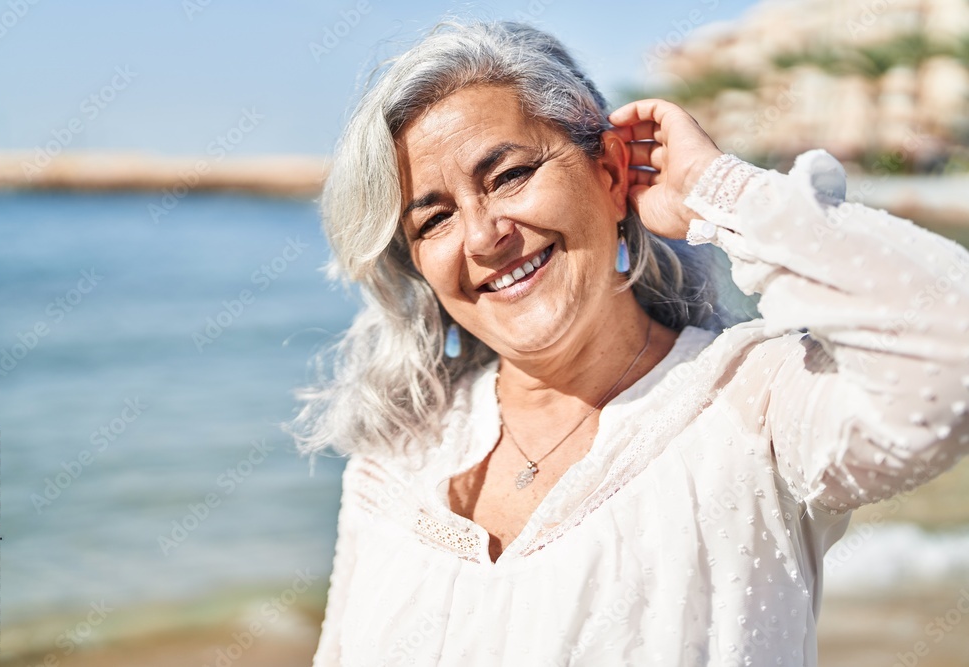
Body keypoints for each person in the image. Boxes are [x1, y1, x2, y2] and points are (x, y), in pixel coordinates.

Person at [294, 20, 969, 666]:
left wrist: (720, 192)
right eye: (434, 218)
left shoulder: (748, 405)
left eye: (508, 176)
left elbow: (950, 351)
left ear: (612, 174)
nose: (482, 236)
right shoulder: (397, 461)